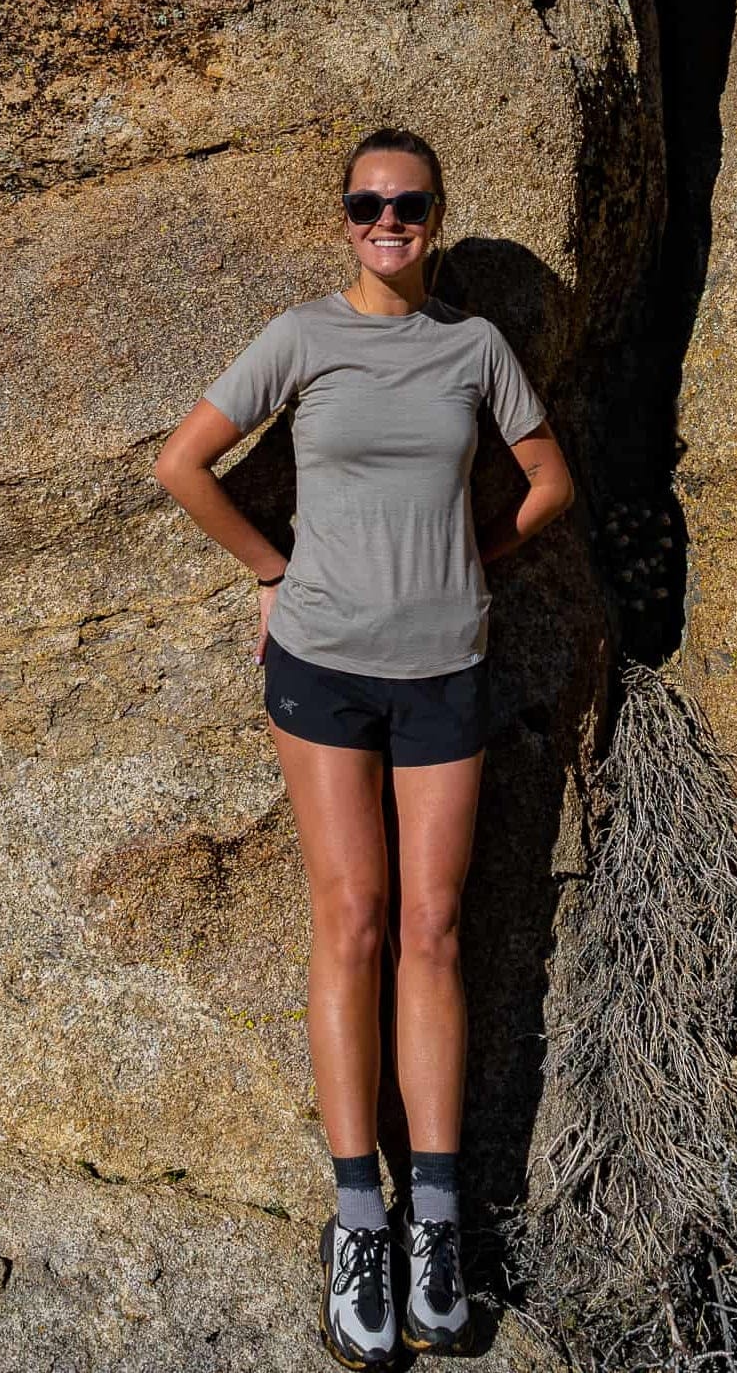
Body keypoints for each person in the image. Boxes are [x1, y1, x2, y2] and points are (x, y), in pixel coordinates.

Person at [154, 127, 574, 1367]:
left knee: (432, 928)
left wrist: (475, 561)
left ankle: (434, 1219)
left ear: (435, 214)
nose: (386, 220)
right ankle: (357, 1221)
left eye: (408, 203)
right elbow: (183, 464)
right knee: (352, 920)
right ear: (343, 217)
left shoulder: (473, 345)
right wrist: (270, 569)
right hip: (323, 666)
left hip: (444, 665)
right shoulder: (300, 336)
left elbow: (547, 482)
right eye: (366, 203)